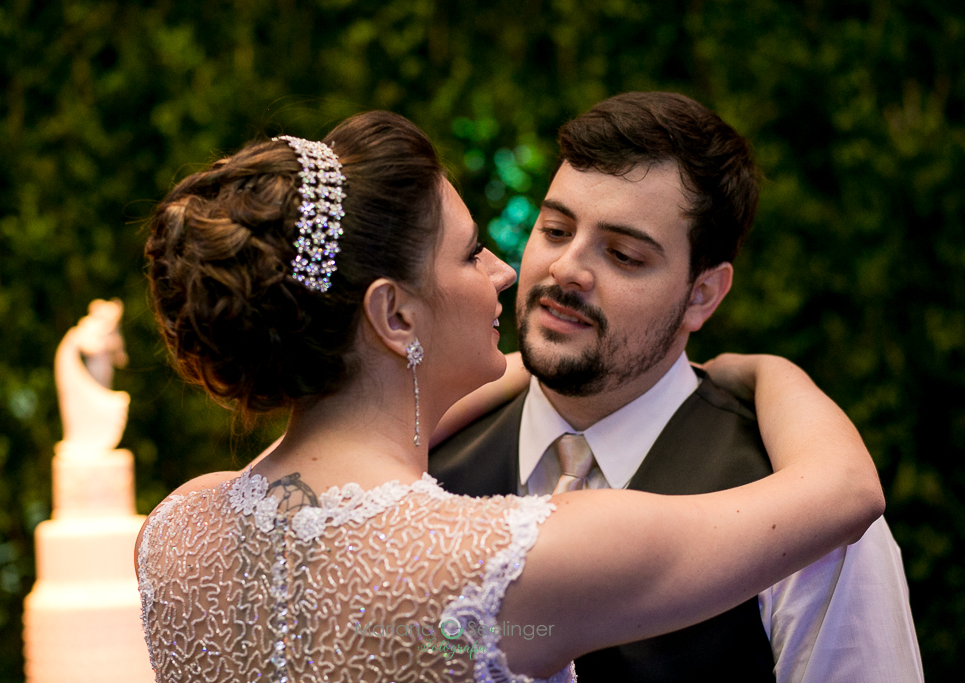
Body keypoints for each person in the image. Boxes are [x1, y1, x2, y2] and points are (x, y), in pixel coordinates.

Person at [135, 110, 883, 683]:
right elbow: (847, 491)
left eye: (624, 254)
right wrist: (772, 372)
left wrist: (524, 365)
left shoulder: (175, 531)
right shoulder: (507, 555)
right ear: (394, 315)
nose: (509, 271)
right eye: (470, 253)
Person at [430, 92, 923, 682]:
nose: (566, 269)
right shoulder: (420, 459)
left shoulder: (811, 519)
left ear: (702, 294)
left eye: (623, 255)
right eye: (556, 230)